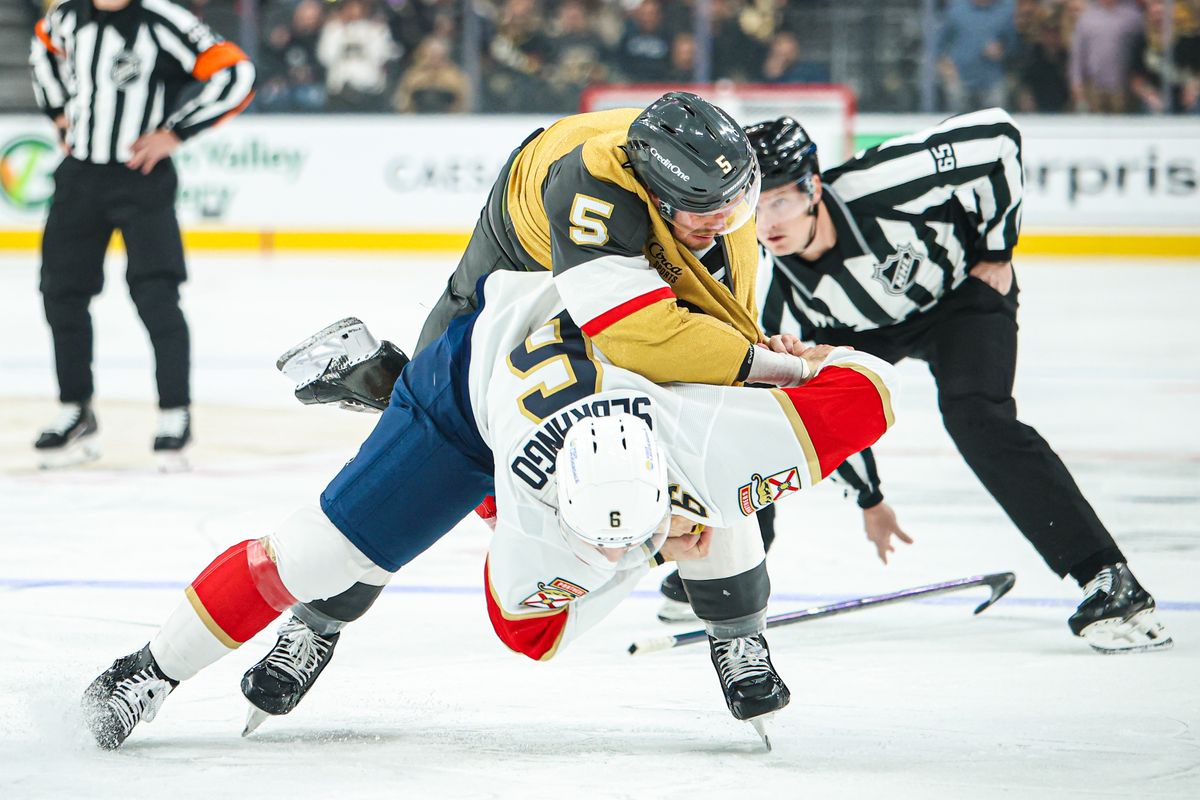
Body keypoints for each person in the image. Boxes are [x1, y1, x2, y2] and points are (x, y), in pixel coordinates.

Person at [81, 268, 900, 750]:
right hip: (467, 393)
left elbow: (871, 391)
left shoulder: (706, 442)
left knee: (723, 500)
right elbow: (525, 629)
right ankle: (145, 672)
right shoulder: (544, 525)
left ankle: (738, 640)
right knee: (321, 550)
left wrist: (792, 365)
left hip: (608, 340)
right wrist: (655, 545)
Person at [249, 91, 792, 714]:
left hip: (613, 263)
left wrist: (747, 357)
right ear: (654, 197)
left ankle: (739, 636)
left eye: (734, 205)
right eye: (703, 214)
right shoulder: (589, 190)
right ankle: (315, 621)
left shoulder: (715, 195)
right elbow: (628, 332)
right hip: (522, 257)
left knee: (702, 420)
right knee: (426, 433)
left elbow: (717, 362)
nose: (724, 223)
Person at [745, 111, 1172, 653]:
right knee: (768, 404)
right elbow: (816, 416)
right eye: (752, 208)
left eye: (779, 200)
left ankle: (1107, 577)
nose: (766, 225)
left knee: (977, 415)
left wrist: (997, 248)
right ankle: (729, 567)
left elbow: (996, 138)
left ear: (814, 188)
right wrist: (870, 499)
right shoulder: (771, 288)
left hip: (962, 297)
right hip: (862, 334)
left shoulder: (883, 182)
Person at [28, 0, 256, 470]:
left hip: (141, 177)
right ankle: (76, 410)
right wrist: (58, 112)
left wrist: (176, 133)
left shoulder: (161, 18)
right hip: (80, 177)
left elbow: (236, 74)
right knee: (61, 294)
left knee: (156, 296)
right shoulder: (68, 15)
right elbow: (44, 48)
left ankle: (174, 414)